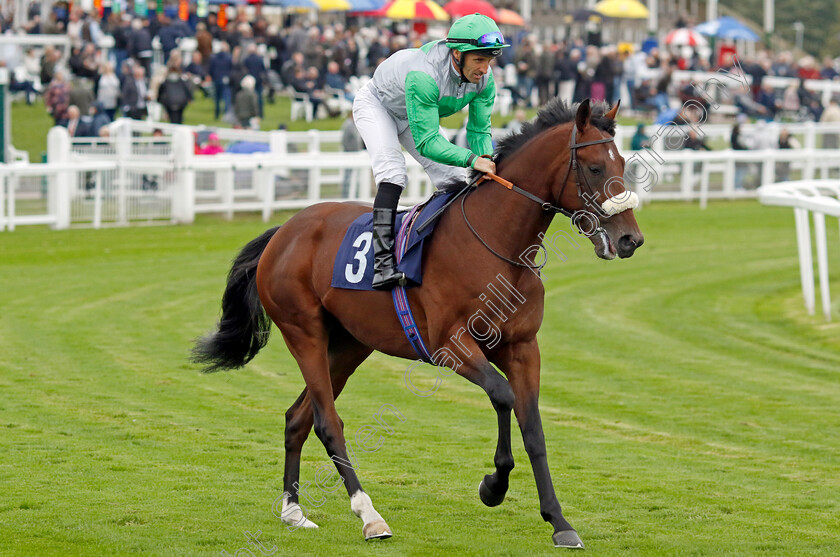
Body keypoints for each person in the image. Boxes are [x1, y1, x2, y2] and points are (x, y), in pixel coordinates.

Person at [352, 14, 505, 289]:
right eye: (479, 60)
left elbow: (480, 131)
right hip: (378, 106)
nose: (485, 68)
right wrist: (472, 159)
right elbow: (427, 143)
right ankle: (382, 264)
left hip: (414, 115)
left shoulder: (485, 80)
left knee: (453, 177)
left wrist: (486, 161)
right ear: (457, 54)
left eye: (489, 60)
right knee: (393, 173)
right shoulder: (424, 75)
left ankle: (452, 252)